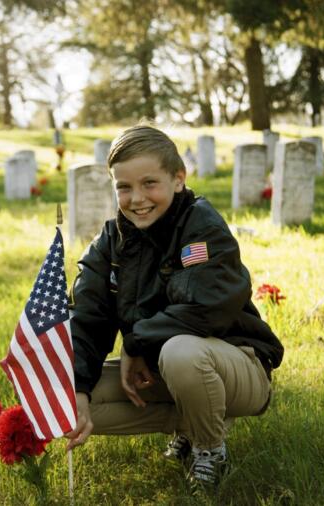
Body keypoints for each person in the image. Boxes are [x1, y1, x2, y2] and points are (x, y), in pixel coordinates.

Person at [63, 125, 284, 488]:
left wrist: (135, 342)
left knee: (181, 353)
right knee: (72, 401)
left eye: (150, 183)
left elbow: (205, 309)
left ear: (178, 179)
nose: (136, 198)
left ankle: (209, 448)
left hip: (236, 364)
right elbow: (87, 316)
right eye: (124, 187)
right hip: (162, 368)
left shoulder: (201, 226)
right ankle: (190, 424)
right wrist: (77, 386)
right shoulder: (110, 241)